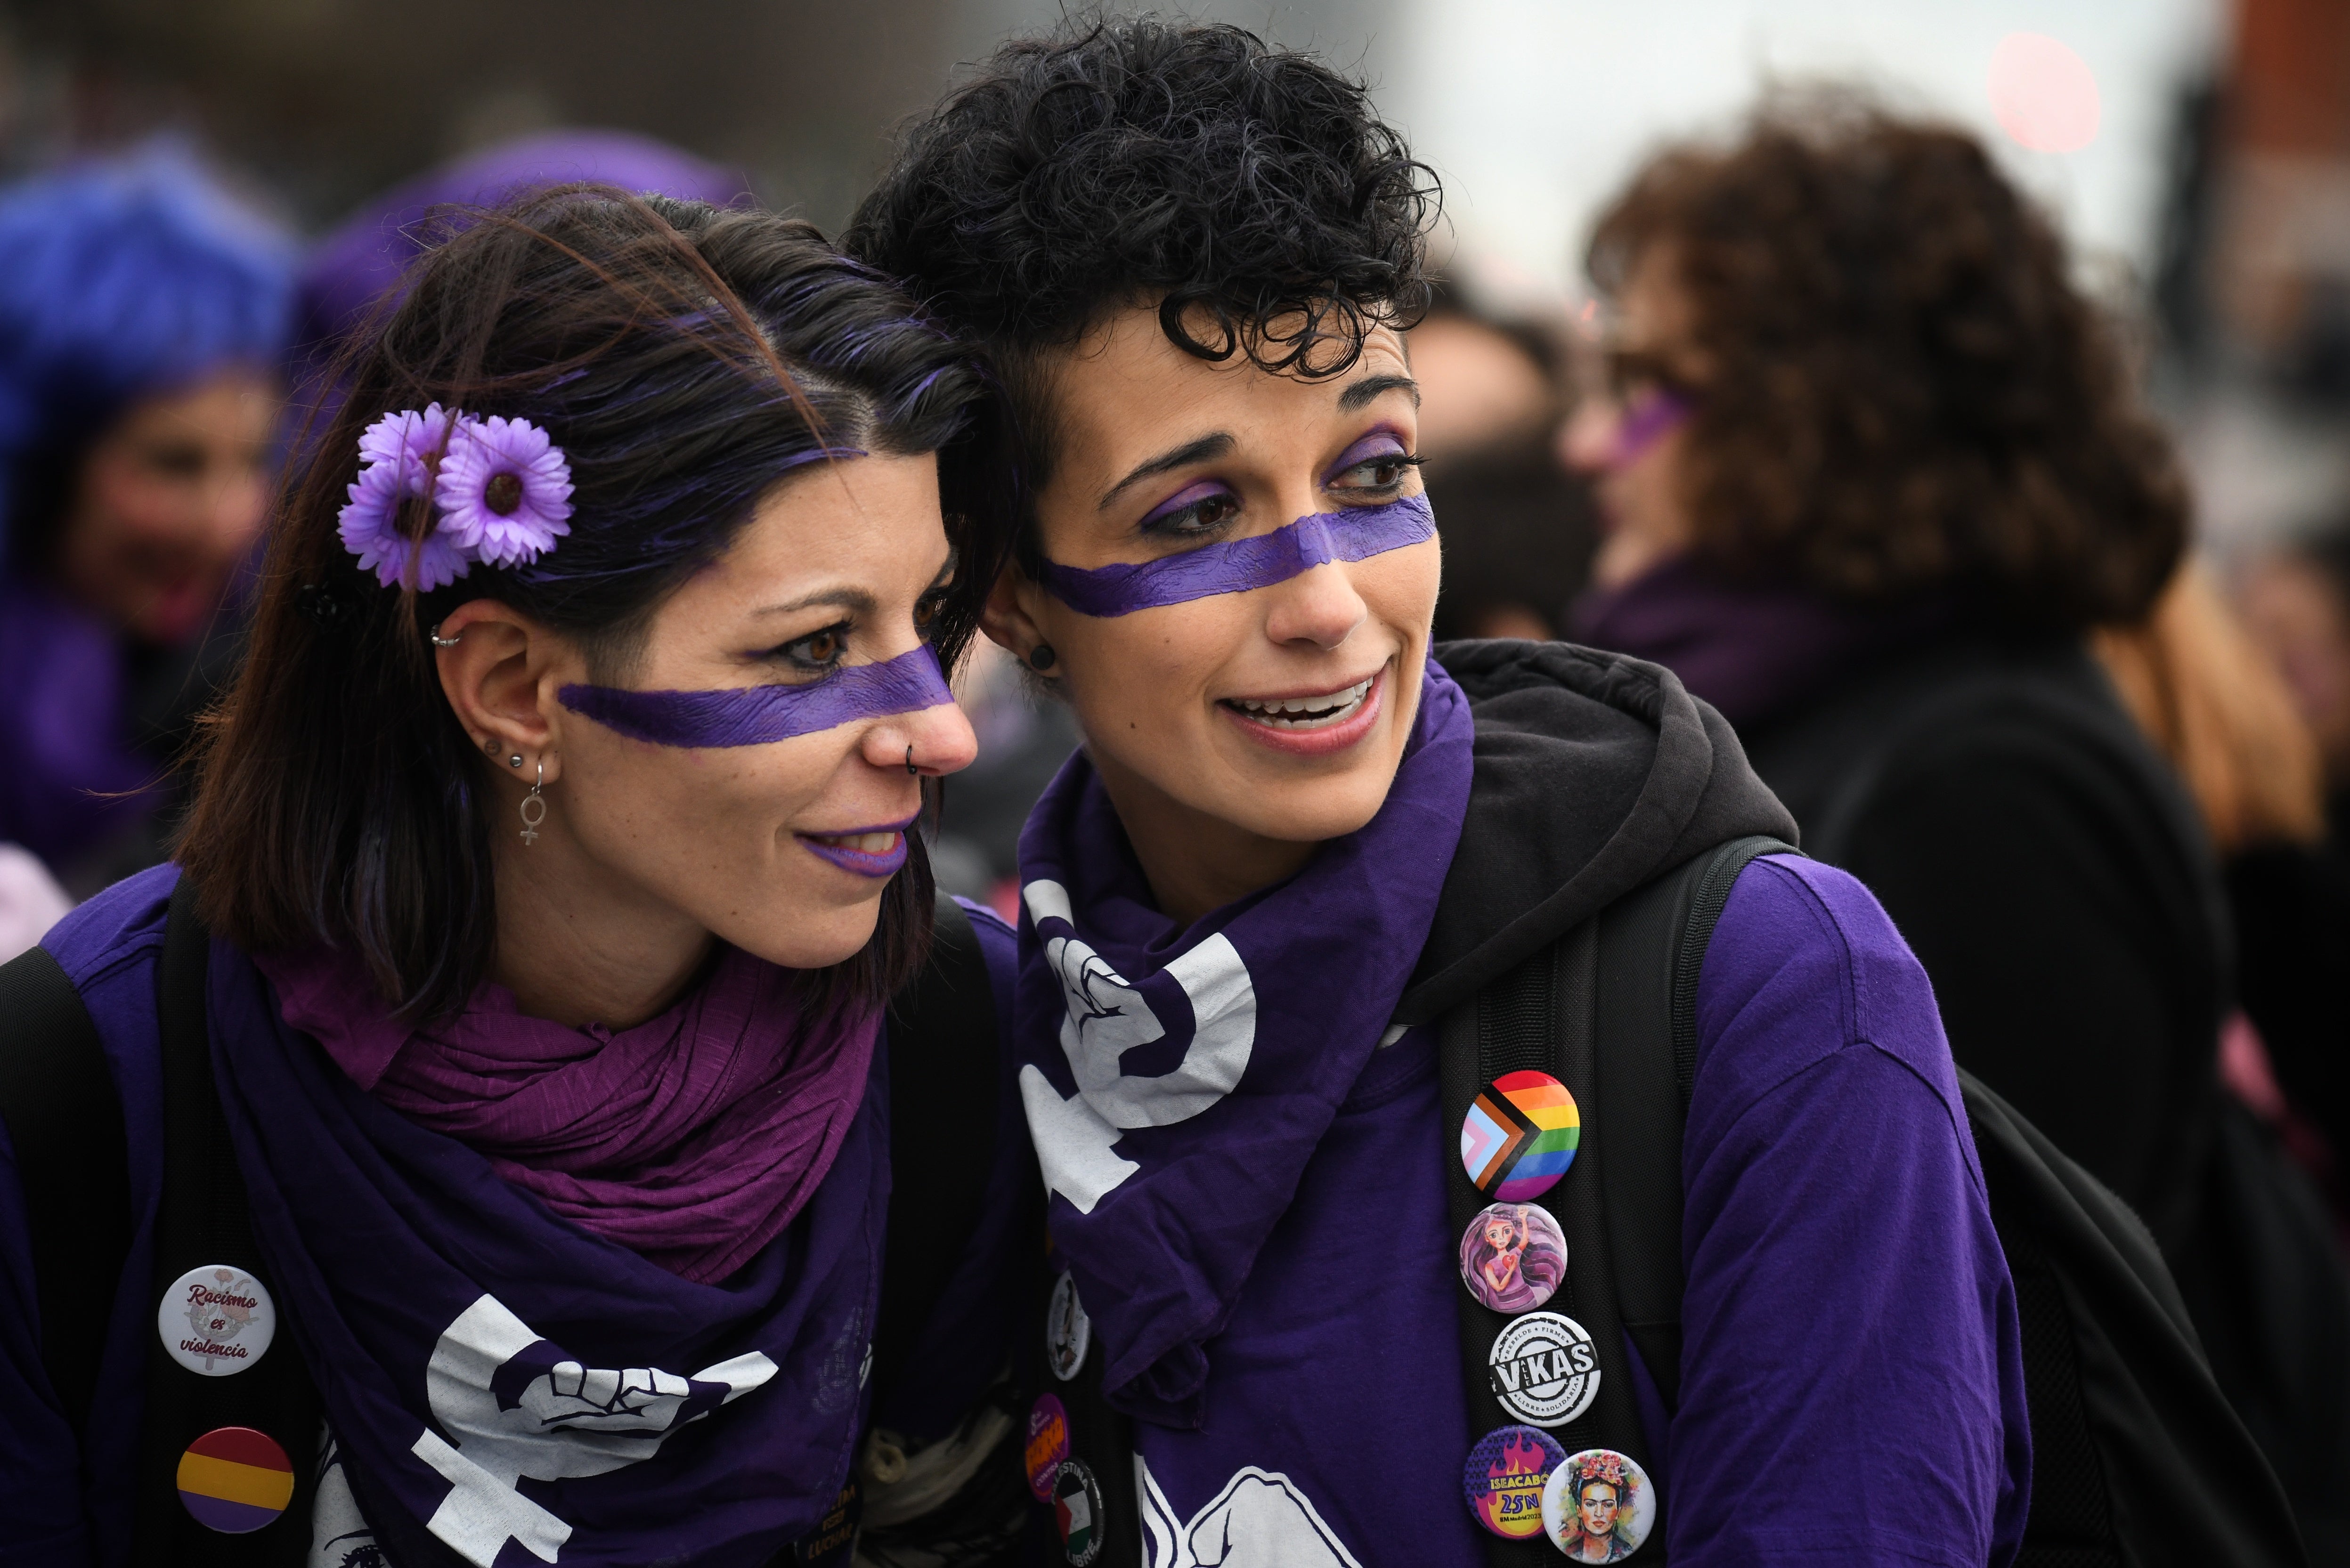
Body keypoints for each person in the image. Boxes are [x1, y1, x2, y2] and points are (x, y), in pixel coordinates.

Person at [850, 24, 2028, 1567]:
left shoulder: (1776, 990)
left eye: (1372, 474)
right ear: (1007, 592)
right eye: (1198, 513)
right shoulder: (966, 1052)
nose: (1333, 606)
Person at [3, 186, 1014, 1562]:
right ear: (513, 691)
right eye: (811, 648)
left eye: (925, 617)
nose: (941, 730)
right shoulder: (79, 1086)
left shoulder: (971, 1047)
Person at [1564, 101, 2214, 1247]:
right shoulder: (1808, 709)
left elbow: (1976, 1306)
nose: (1586, 443)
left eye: (1642, 381)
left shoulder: (1988, 796)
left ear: (1822, 420)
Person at [0, 146, 293, 899]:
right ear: (40, 461)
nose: (230, 523)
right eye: (174, 464)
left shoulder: (234, 679)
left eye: (252, 461)